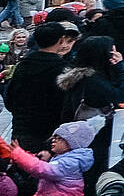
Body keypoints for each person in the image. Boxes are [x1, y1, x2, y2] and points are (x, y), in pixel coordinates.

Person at [7, 23, 77, 152]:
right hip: (51, 134)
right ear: (61, 40)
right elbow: (67, 106)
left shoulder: (23, 66)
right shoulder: (64, 69)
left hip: (22, 130)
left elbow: (9, 99)